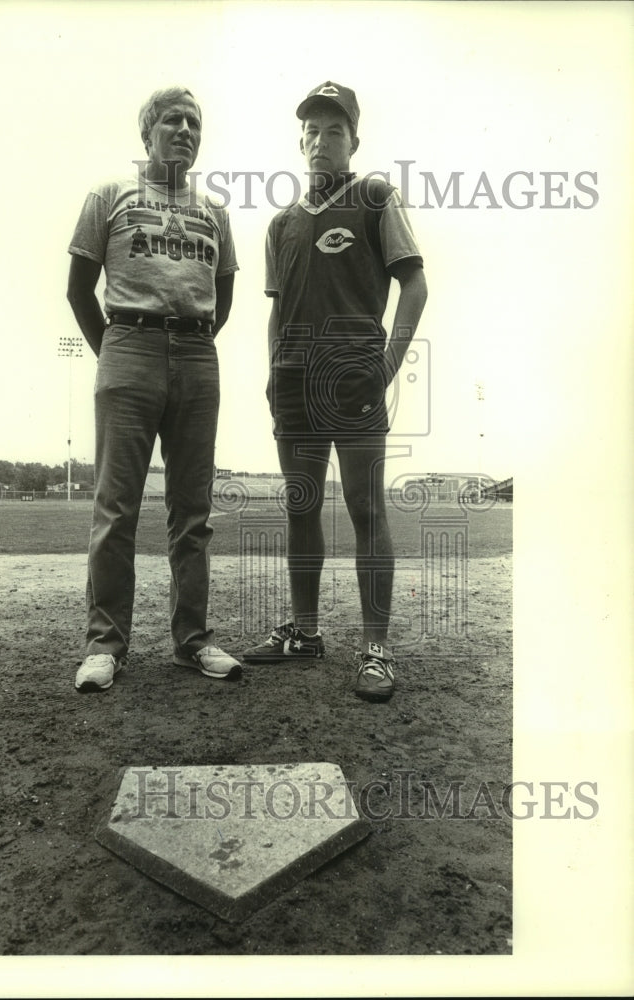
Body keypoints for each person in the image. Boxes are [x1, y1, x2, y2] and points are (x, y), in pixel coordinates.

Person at [242, 81, 428, 702]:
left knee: (365, 508)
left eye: (335, 130)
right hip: (293, 378)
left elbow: (416, 286)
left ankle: (376, 645)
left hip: (354, 377)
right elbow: (275, 309)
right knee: (300, 508)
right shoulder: (281, 223)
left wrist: (387, 364)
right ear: (301, 139)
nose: (322, 140)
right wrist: (272, 368)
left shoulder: (375, 196)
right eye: (313, 131)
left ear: (354, 139)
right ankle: (306, 632)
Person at [67, 86, 242, 692]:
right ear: (147, 133)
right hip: (128, 345)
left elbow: (223, 294)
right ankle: (104, 645)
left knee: (192, 513)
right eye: (173, 120)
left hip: (197, 352)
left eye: (195, 121)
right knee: (116, 509)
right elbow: (78, 287)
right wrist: (118, 352)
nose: (186, 130)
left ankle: (191, 641)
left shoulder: (214, 209)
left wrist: (187, 342)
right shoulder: (111, 194)